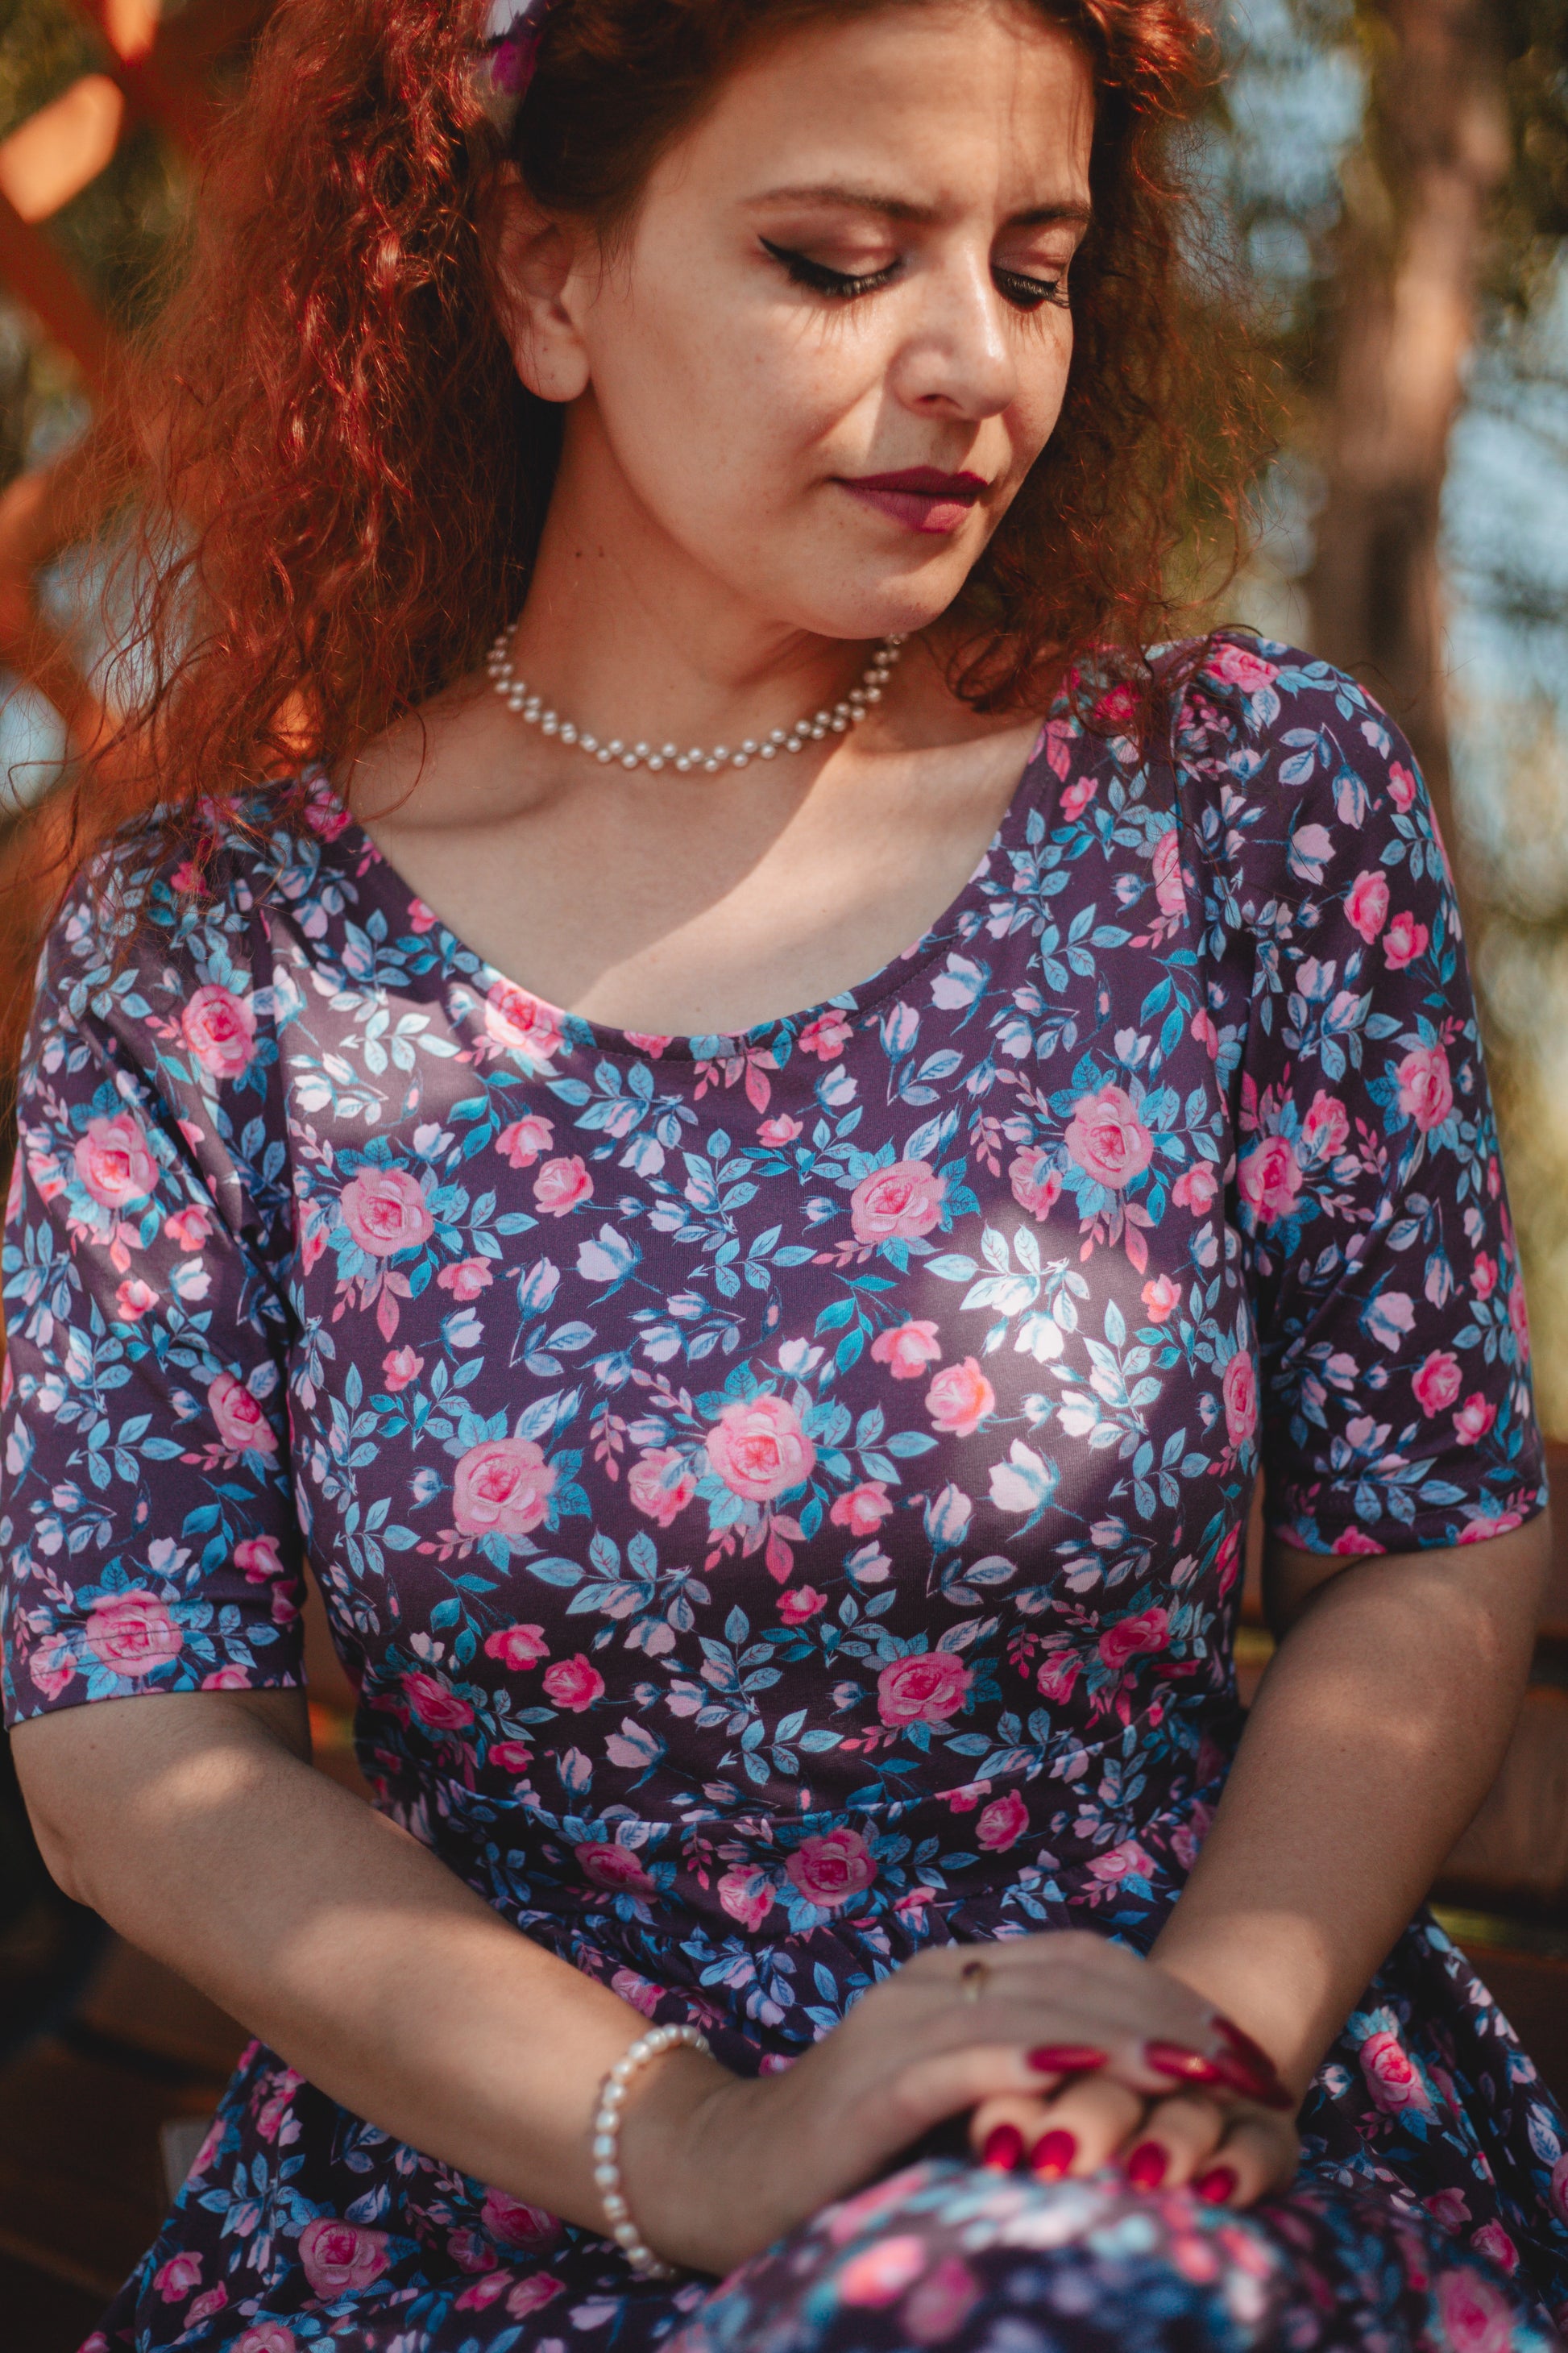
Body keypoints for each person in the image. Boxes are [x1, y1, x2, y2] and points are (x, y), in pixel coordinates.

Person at [2, 0, 1563, 2344]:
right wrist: (706, 2146)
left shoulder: (1234, 808)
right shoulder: (219, 957)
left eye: (1032, 272)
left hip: (1141, 2162)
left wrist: (1198, 2043)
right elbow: (131, 1739)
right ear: (547, 282)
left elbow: (1425, 1533)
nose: (974, 367)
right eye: (837, 263)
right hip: (494, 2213)